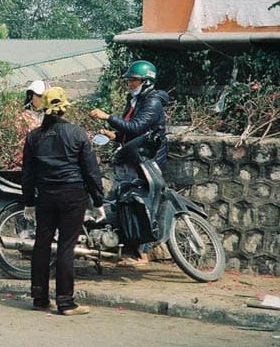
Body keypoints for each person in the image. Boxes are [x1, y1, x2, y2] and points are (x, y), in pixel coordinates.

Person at [22, 86, 104, 316]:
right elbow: (91, 172)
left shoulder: (34, 136)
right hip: (72, 195)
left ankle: (39, 297)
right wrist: (98, 201)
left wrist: (28, 201)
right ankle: (66, 302)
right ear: (64, 108)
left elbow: (27, 173)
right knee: (66, 247)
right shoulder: (77, 134)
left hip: (45, 196)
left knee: (42, 244)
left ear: (45, 109)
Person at [89, 59, 171, 265]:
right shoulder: (135, 100)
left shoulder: (152, 102)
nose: (130, 84)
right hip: (135, 159)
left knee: (144, 206)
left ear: (146, 82)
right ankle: (128, 248)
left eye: (133, 80)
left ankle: (142, 255)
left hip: (149, 162)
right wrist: (114, 135)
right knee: (124, 204)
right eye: (129, 80)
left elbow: (136, 127)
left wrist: (107, 116)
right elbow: (129, 131)